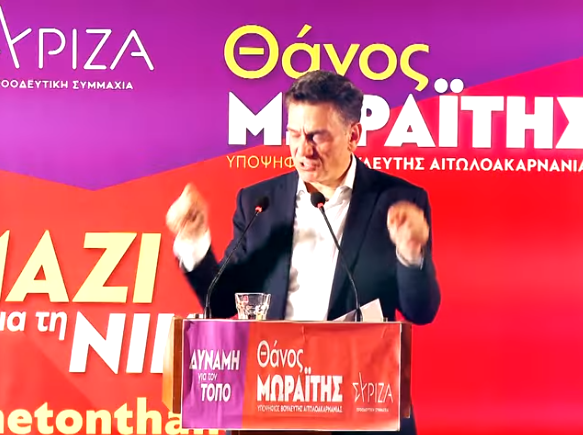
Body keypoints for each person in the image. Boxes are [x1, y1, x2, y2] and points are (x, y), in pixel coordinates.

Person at [166, 70, 440, 435]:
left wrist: (411, 252)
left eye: (317, 136)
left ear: (353, 135)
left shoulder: (398, 201)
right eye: (294, 134)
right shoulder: (260, 202)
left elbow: (421, 311)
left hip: (362, 407)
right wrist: (193, 240)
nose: (302, 150)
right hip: (269, 406)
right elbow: (220, 302)